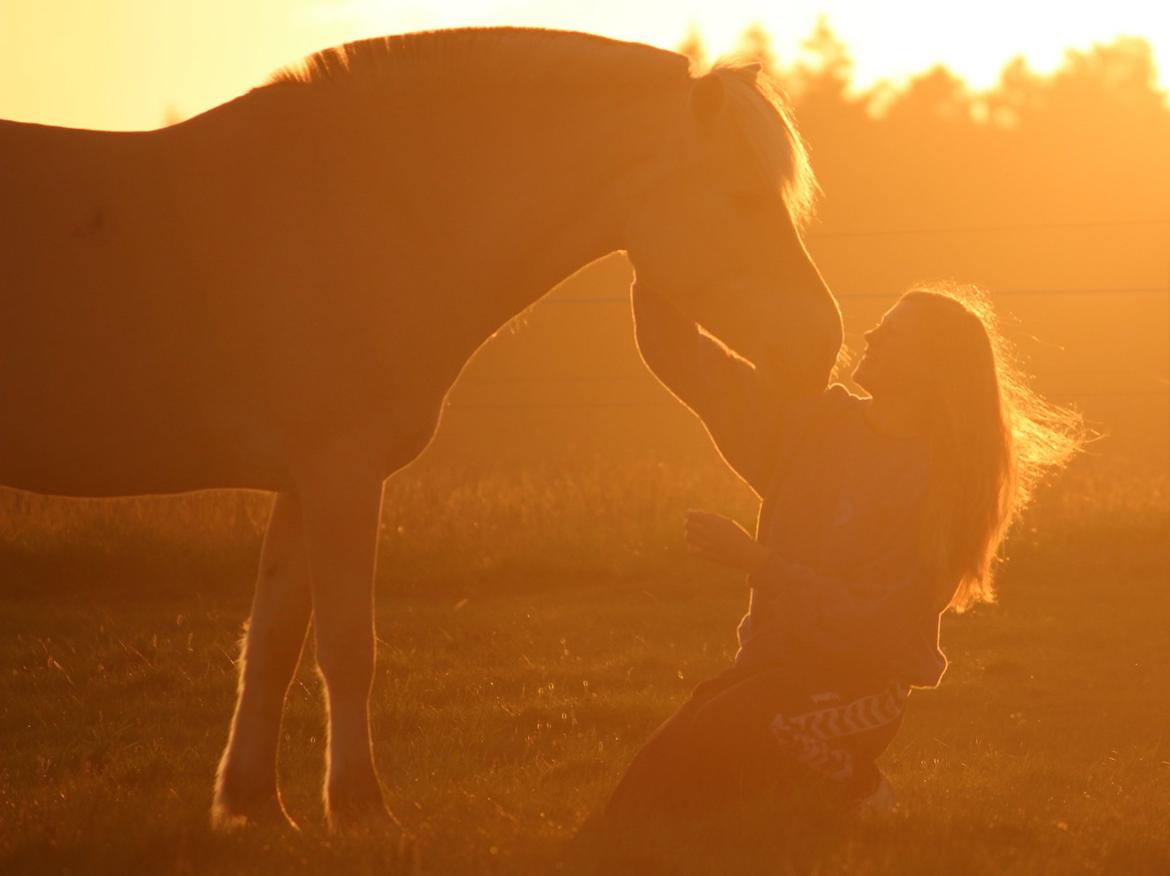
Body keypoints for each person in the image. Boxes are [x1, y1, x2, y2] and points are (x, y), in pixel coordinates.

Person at [607, 281, 1082, 819]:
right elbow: (685, 360)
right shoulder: (818, 424)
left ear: (931, 370)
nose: (871, 335)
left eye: (893, 333)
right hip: (771, 665)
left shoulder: (934, 485)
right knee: (644, 795)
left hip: (857, 690)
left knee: (726, 737)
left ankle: (857, 787)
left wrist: (757, 562)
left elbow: (875, 620)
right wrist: (655, 261)